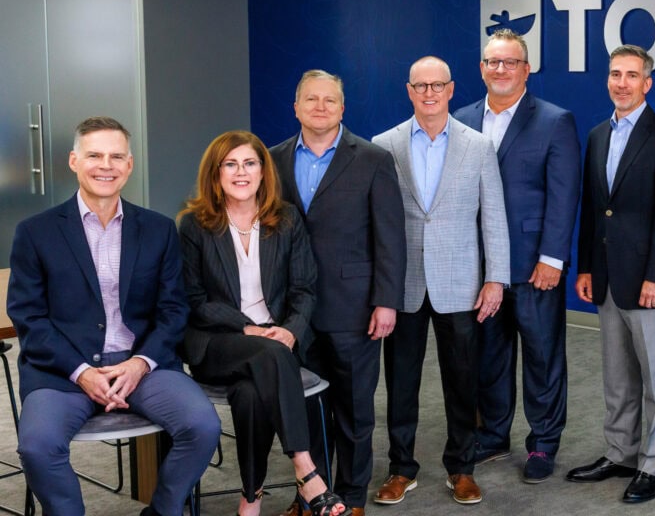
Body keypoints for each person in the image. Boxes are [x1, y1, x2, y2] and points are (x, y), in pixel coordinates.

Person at [6, 116, 221, 516]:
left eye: (116, 156)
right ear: (74, 161)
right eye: (94, 155)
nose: (106, 165)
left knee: (202, 427)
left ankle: (161, 511)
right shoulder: (35, 232)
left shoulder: (158, 229)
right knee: (37, 446)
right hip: (63, 374)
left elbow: (174, 309)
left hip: (142, 367)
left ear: (129, 165)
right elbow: (29, 318)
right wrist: (81, 372)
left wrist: (140, 364)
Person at [178, 131, 347, 516]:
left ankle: (250, 499)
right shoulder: (194, 225)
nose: (242, 172)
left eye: (250, 163)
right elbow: (194, 299)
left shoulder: (286, 219)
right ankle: (307, 471)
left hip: (275, 342)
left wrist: (290, 330)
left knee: (251, 394)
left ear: (262, 171)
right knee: (269, 353)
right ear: (215, 173)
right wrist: (247, 329)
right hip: (218, 344)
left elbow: (305, 288)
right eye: (231, 164)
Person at [372, 56, 510, 506]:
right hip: (404, 283)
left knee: (462, 380)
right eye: (420, 86)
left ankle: (461, 468)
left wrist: (497, 278)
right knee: (401, 381)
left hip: (462, 281)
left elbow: (493, 217)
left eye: (437, 86)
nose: (429, 94)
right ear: (409, 91)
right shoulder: (384, 145)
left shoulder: (478, 145)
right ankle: (400, 468)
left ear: (451, 90)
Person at [271, 70, 407, 516]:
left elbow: (390, 236)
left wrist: (387, 300)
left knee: (353, 410)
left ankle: (349, 498)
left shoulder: (372, 158)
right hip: (291, 311)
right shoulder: (270, 161)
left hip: (354, 307)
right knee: (304, 411)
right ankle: (310, 493)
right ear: (296, 107)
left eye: (330, 101)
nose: (321, 107)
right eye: (311, 99)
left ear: (342, 109)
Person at [452, 28, 581, 483]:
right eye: (492, 62)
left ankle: (544, 442)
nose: (500, 69)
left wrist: (553, 258)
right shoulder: (461, 118)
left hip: (533, 264)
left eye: (509, 62)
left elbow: (564, 196)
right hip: (481, 265)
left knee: (543, 356)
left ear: (526, 70)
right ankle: (493, 434)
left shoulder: (554, 120)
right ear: (482, 68)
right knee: (489, 355)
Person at [567, 44, 655, 504]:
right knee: (618, 377)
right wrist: (585, 267)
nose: (622, 82)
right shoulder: (599, 134)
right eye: (615, 74)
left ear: (648, 83)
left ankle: (653, 465)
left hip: (648, 282)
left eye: (632, 75)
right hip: (606, 278)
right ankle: (620, 452)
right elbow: (595, 210)